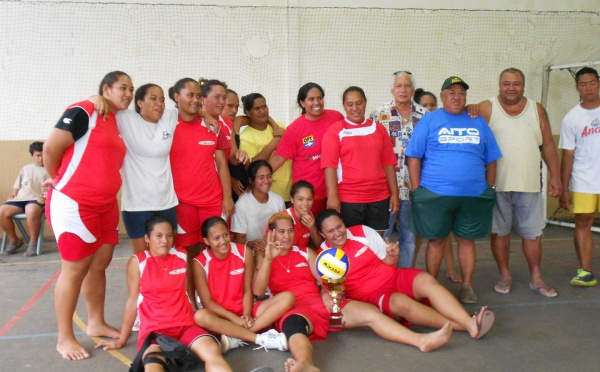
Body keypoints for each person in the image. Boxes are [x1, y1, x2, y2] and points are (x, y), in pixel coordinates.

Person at [254, 213, 453, 371]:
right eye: (281, 232)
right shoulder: (264, 256)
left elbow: (325, 279)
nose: (287, 236)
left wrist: (326, 293)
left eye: (290, 231)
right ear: (271, 234)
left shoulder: (305, 252)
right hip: (293, 309)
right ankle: (306, 364)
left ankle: (421, 341)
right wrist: (268, 259)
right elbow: (258, 290)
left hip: (320, 303)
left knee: (370, 313)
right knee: (296, 330)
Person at [44, 71, 131, 360]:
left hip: (106, 205)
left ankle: (95, 321)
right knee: (74, 271)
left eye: (131, 89)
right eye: (122, 88)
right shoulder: (85, 109)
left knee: (99, 266)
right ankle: (64, 338)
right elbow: (51, 148)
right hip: (74, 204)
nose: (128, 94)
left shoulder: (118, 121)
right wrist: (59, 180)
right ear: (106, 89)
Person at [316, 209, 494, 340]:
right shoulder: (324, 257)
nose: (338, 233)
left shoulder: (362, 232)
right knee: (402, 303)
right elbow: (336, 293)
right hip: (372, 295)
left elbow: (388, 261)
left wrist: (393, 256)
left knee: (426, 280)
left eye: (339, 226)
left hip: (394, 275)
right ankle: (466, 325)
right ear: (322, 234)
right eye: (331, 231)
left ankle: (470, 324)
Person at [405, 76, 502, 304]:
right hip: (435, 194)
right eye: (451, 92)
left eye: (461, 92)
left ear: (466, 97)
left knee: (467, 241)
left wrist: (489, 188)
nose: (456, 97)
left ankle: (467, 286)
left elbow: (492, 158)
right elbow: (414, 157)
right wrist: (418, 190)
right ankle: (430, 286)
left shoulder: (478, 121)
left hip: (474, 195)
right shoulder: (429, 121)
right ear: (442, 96)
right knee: (436, 241)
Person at [95, 215, 232, 371]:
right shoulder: (138, 262)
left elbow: (188, 289)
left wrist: (194, 308)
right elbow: (132, 302)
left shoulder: (182, 255)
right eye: (158, 236)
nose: (165, 241)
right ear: (147, 238)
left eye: (169, 236)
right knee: (153, 366)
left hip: (185, 326)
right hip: (154, 332)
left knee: (213, 353)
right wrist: (122, 338)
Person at [476, 68, 560, 297]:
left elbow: (549, 146)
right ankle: (504, 274)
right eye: (506, 83)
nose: (511, 88)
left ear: (523, 86)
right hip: (496, 185)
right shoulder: (486, 107)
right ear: (499, 85)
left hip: (530, 184)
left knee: (532, 233)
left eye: (516, 83)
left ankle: (536, 277)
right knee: (499, 232)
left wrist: (556, 176)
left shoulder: (537, 109)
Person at [192, 216, 292, 352]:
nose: (223, 241)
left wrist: (246, 315)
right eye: (216, 239)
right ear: (206, 241)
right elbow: (208, 303)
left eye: (225, 235)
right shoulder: (199, 262)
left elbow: (247, 290)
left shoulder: (244, 252)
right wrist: (235, 319)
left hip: (247, 309)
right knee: (200, 316)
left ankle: (236, 337)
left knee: (288, 297)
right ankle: (259, 338)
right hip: (221, 316)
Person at [322, 86, 399, 235]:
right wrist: (332, 197)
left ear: (365, 103)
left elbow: (388, 163)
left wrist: (394, 193)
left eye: (359, 103)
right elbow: (329, 167)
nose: (355, 108)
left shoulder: (379, 130)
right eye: (350, 104)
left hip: (379, 197)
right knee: (353, 245)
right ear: (344, 106)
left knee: (376, 245)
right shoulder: (335, 131)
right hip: (349, 199)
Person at [168, 77, 234, 251]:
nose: (195, 100)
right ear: (176, 96)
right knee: (187, 252)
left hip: (213, 201)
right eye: (190, 95)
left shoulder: (212, 126)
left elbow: (222, 164)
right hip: (182, 202)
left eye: (198, 96)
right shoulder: (167, 124)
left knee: (215, 250)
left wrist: (227, 198)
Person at [370, 71, 427, 267]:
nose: (403, 90)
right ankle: (380, 277)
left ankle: (403, 279)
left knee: (409, 238)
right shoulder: (378, 114)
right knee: (381, 237)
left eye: (407, 86)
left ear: (413, 89)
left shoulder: (425, 116)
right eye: (399, 86)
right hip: (386, 189)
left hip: (414, 188)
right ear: (392, 89)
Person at [269, 83, 344, 216]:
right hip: (309, 197)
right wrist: (254, 180)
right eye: (311, 99)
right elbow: (278, 159)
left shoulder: (336, 118)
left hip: (338, 190)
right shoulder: (294, 129)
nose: (317, 102)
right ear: (302, 103)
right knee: (310, 234)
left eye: (320, 98)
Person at [412, 90, 462, 282]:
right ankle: (412, 268)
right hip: (418, 185)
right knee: (417, 233)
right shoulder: (417, 125)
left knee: (443, 232)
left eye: (433, 104)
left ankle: (450, 269)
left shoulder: (441, 124)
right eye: (425, 105)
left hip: (438, 187)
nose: (430, 109)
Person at [559, 66, 600, 287]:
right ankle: (586, 271)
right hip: (584, 180)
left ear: (599, 83)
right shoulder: (571, 118)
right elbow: (567, 155)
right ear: (577, 88)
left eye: (592, 82)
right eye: (583, 84)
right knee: (583, 223)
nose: (588, 88)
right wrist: (564, 188)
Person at [239, 93, 292, 202]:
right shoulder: (246, 137)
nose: (263, 111)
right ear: (247, 112)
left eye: (264, 107)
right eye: (257, 108)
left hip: (292, 191)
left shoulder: (279, 126)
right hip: (270, 195)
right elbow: (251, 167)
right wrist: (274, 142)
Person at [0, 141, 48, 257]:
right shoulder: (26, 168)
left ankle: (33, 243)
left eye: (43, 155)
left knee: (30, 211)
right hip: (20, 199)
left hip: (37, 199)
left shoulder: (51, 167)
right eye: (37, 155)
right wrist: (13, 195)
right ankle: (15, 241)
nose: (41, 158)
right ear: (32, 156)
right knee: (2, 211)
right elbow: (17, 185)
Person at [231, 160, 285, 252]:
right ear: (251, 180)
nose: (266, 181)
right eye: (261, 177)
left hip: (275, 249)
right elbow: (239, 240)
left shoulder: (278, 200)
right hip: (252, 253)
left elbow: (284, 229)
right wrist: (252, 243)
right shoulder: (241, 205)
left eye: (269, 176)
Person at [284, 180, 323, 248]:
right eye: (300, 199)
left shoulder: (310, 215)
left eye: (309, 199)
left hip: (302, 254)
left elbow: (320, 246)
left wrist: (313, 229)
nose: (305, 204)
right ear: (292, 199)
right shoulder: (284, 218)